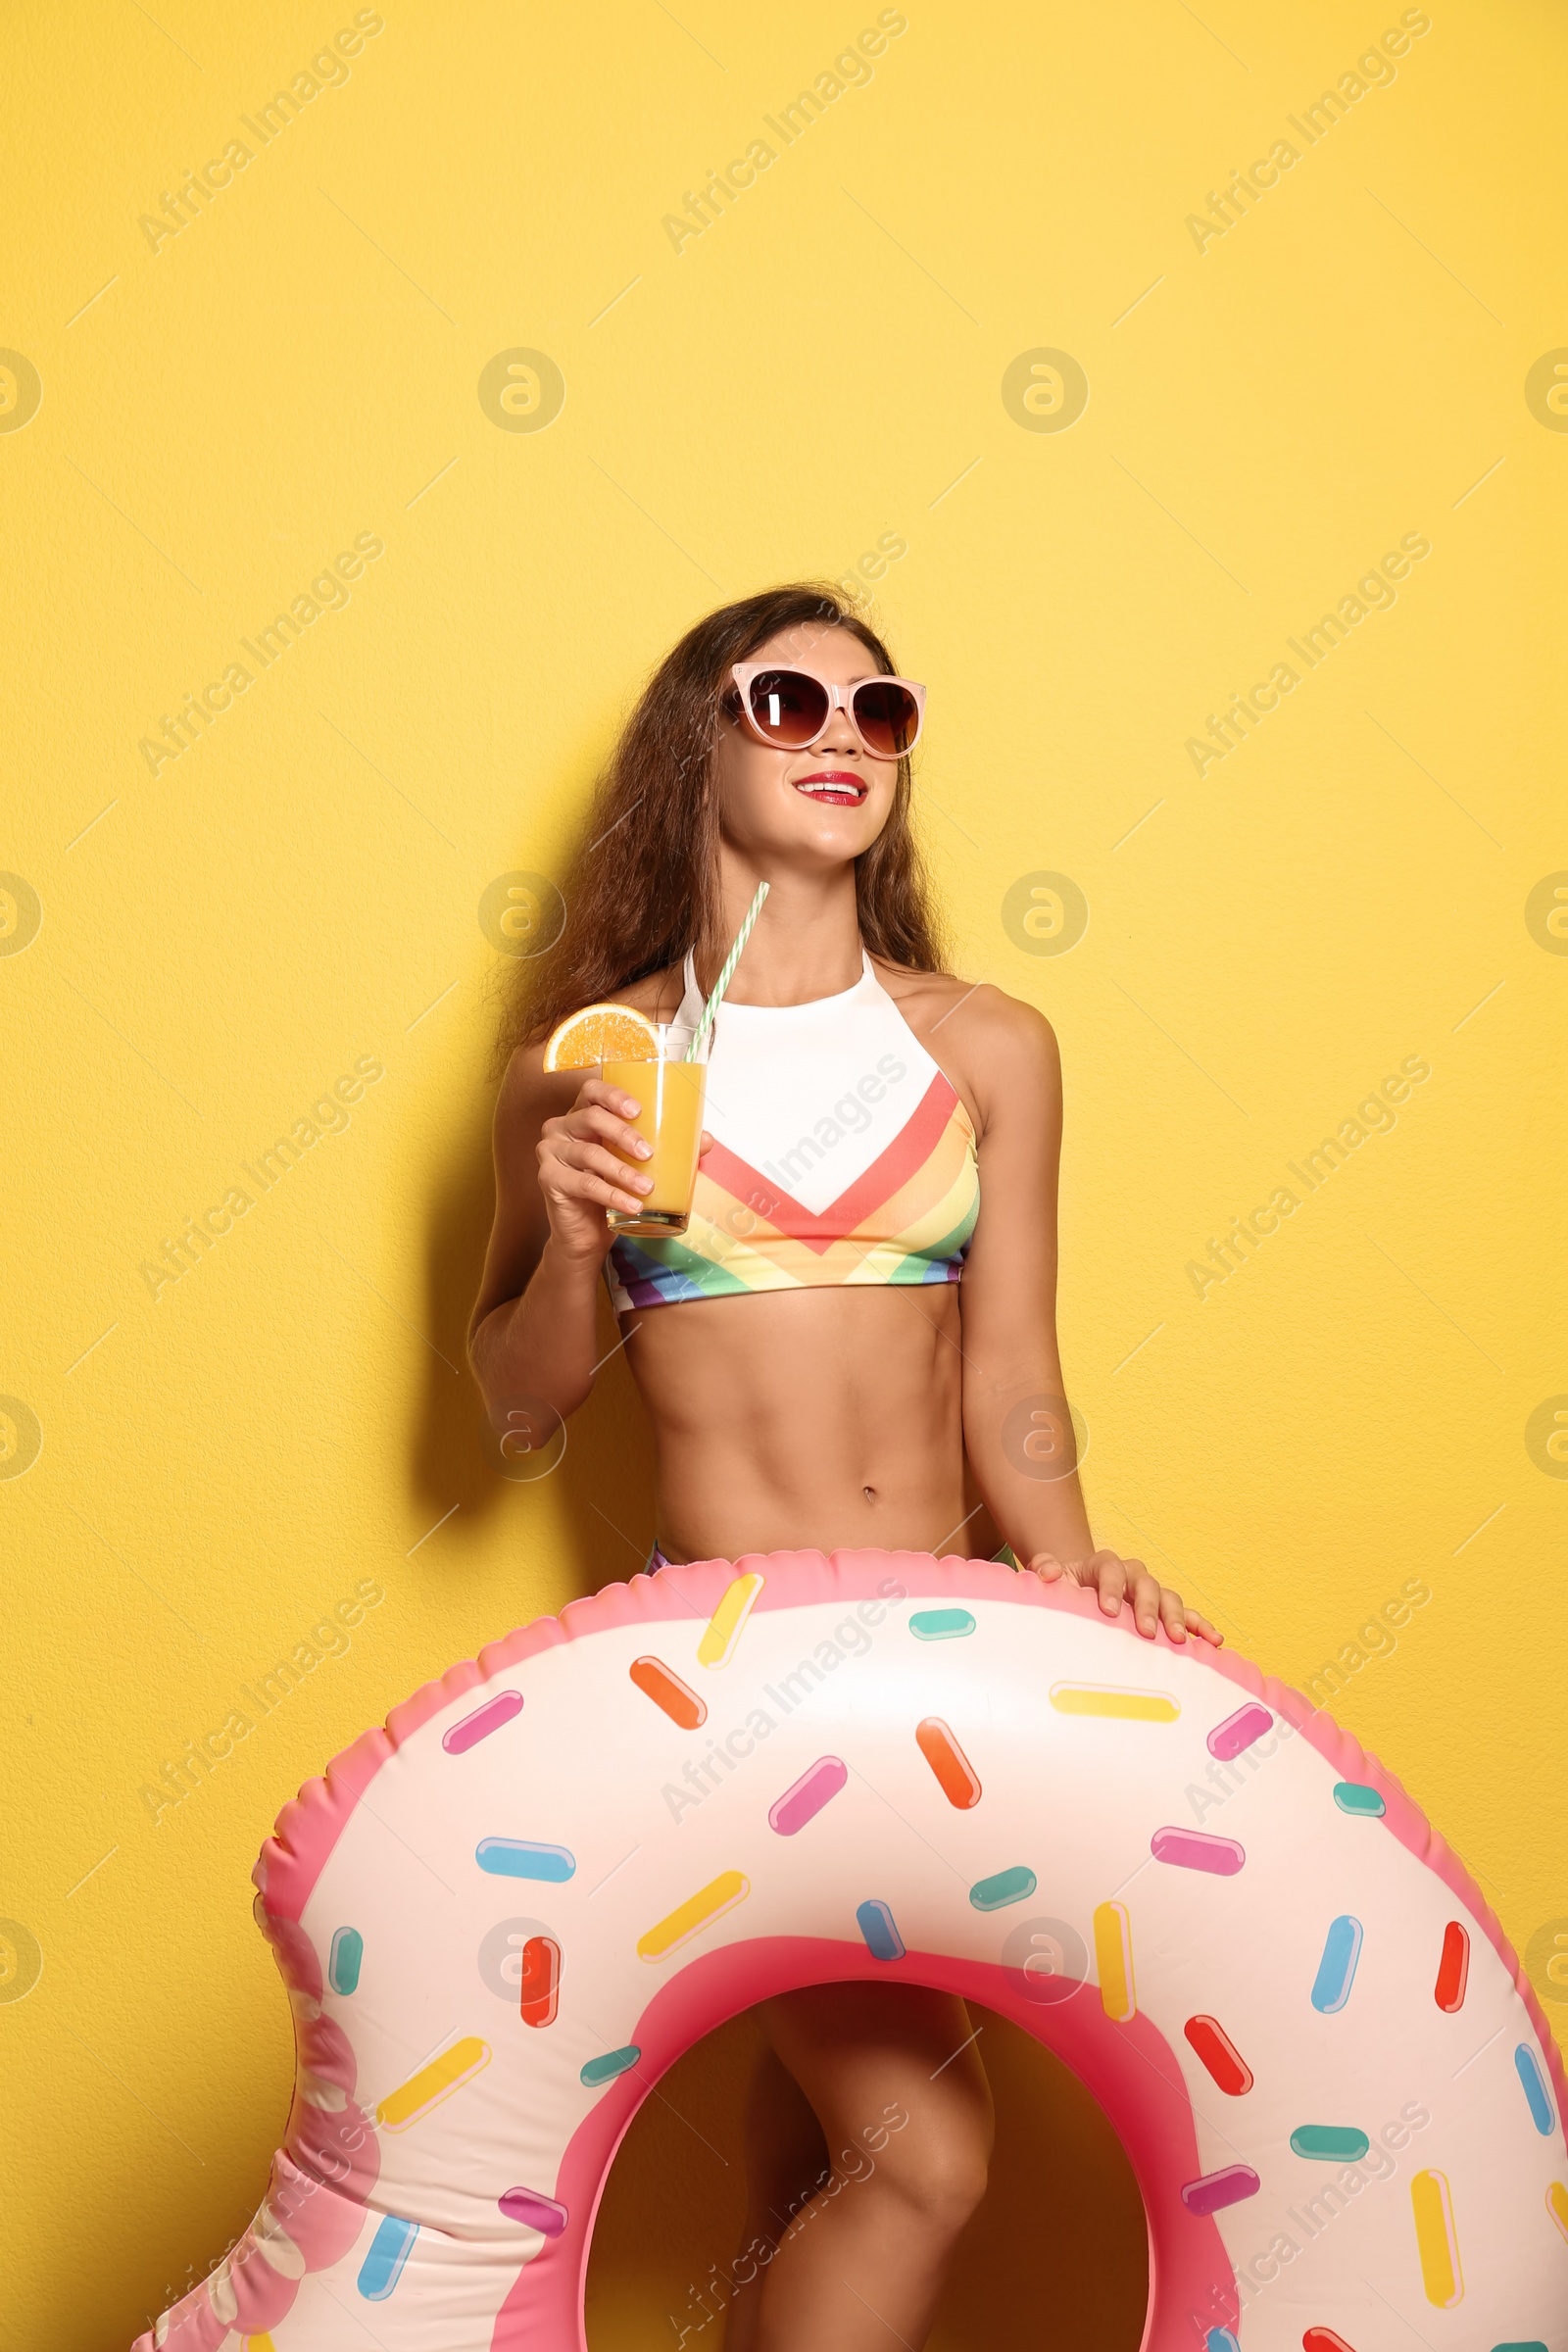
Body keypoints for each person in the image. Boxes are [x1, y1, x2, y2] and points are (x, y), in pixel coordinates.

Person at [467, 582, 1220, 2350]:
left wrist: (1072, 1561)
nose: (842, 741)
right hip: (726, 1680)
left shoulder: (986, 1047)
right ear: (697, 743)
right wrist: (574, 1242)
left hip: (943, 1675)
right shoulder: (591, 1068)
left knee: (817, 2157)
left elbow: (1014, 1370)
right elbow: (513, 1411)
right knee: (926, 2164)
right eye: (789, 701)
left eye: (881, 717)